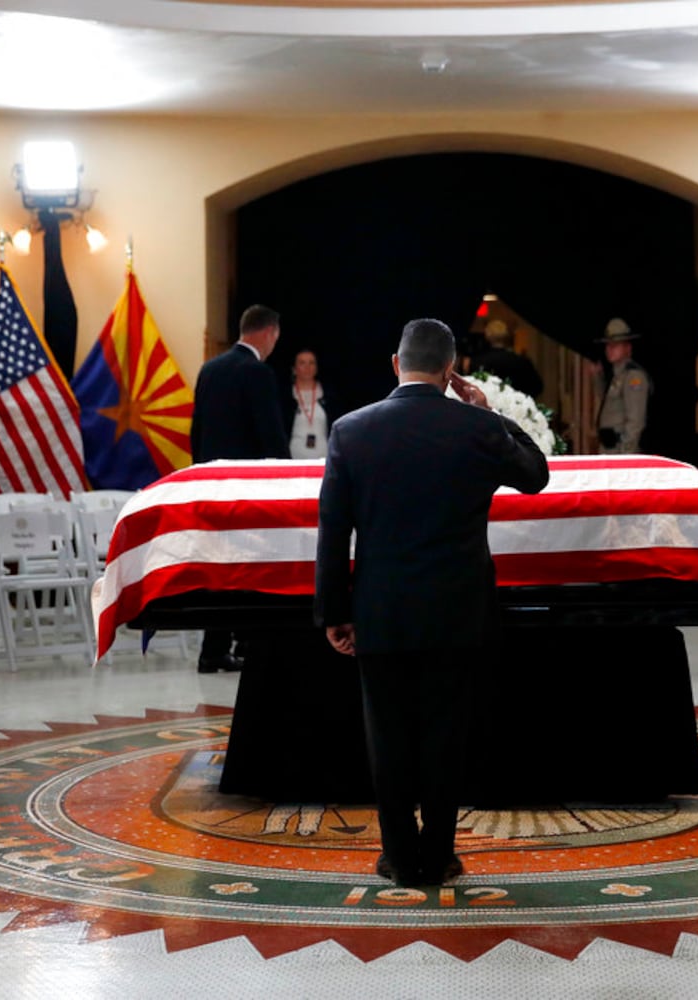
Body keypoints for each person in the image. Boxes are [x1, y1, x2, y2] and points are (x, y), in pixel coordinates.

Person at [314, 318, 550, 887]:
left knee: (387, 737)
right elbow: (536, 476)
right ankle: (439, 856)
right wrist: (489, 411)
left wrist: (334, 612)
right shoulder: (476, 428)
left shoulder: (351, 430)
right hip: (458, 612)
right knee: (447, 737)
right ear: (451, 372)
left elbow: (332, 531)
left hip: (381, 610)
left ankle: (398, 856)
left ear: (395, 364)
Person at [189, 304, 291, 673]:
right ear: (268, 333)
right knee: (250, 568)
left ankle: (212, 650)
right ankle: (248, 643)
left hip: (212, 487)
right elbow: (271, 437)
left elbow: (197, 432)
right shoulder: (257, 372)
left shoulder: (209, 370)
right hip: (250, 491)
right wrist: (284, 480)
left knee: (217, 568)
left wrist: (200, 478)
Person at [594, 317, 652, 453]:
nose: (610, 349)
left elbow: (636, 421)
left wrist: (626, 454)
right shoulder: (616, 375)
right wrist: (598, 377)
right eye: (608, 345)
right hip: (608, 448)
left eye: (615, 345)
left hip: (620, 449)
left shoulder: (633, 377)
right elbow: (607, 404)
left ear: (627, 348)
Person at [282, 348, 339, 459]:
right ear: (294, 368)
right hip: (293, 455)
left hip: (323, 454)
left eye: (311, 363)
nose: (307, 367)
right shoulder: (286, 397)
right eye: (302, 363)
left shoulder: (328, 395)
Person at [469, 319, 543, 399]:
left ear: (487, 336)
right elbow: (537, 387)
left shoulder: (478, 361)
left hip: (488, 408)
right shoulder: (521, 361)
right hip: (515, 408)